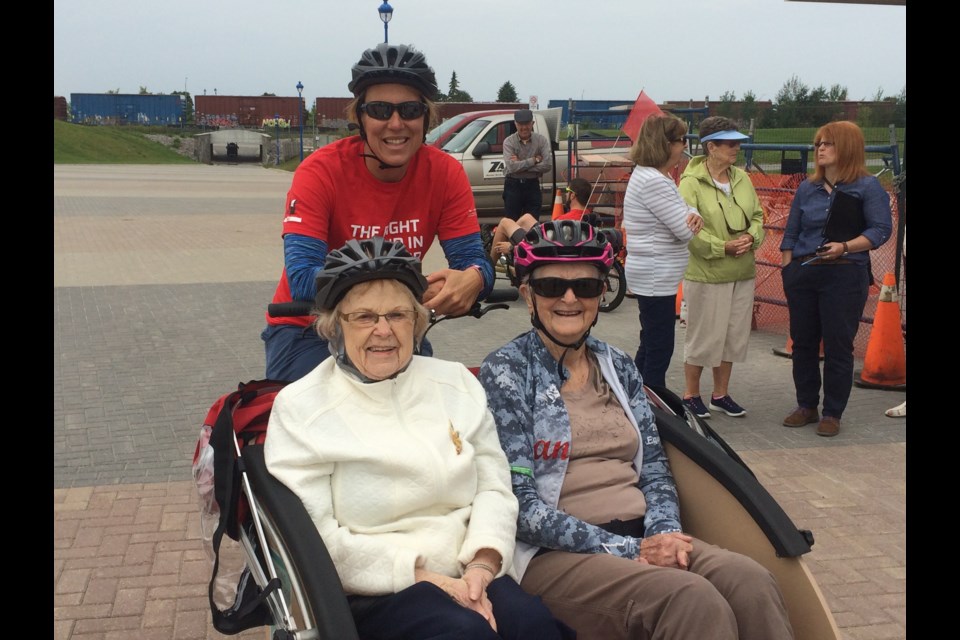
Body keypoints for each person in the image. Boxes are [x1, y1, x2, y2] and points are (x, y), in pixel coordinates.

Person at [478, 221, 794, 640]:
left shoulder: (618, 365)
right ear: (527, 295)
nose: (570, 299)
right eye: (552, 286)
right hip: (553, 554)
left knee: (749, 581)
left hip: (642, 533)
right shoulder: (506, 371)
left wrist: (662, 533)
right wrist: (633, 550)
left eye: (586, 288)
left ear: (602, 295)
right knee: (689, 599)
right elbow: (521, 507)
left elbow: (656, 470)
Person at [264, 237, 573, 640]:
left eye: (398, 314)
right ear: (335, 326)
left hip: (471, 568)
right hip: (375, 588)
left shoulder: (456, 382)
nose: (383, 330)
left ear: (417, 321)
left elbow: (496, 487)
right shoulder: (301, 408)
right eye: (363, 317)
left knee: (535, 628)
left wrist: (482, 565)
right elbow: (316, 537)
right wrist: (429, 579)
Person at [261, 43, 494, 382]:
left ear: (426, 117)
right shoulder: (320, 171)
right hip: (309, 326)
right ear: (360, 117)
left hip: (392, 324)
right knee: (303, 421)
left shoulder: (445, 173)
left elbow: (473, 261)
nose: (396, 124)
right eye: (381, 110)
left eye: (410, 110)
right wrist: (406, 286)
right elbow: (301, 278)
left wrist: (476, 278)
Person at [780, 121, 893, 437]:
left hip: (844, 273)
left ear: (847, 147)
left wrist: (845, 246)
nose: (820, 149)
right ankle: (806, 405)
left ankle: (832, 412)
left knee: (838, 345)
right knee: (802, 344)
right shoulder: (806, 187)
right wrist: (788, 270)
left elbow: (880, 230)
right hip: (803, 272)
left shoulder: (867, 187)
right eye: (817, 144)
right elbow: (791, 232)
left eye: (827, 143)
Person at [677, 116, 765, 419]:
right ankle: (690, 395)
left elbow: (757, 216)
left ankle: (720, 394)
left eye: (737, 142)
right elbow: (688, 228)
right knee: (704, 336)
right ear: (710, 146)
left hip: (742, 272)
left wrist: (751, 238)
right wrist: (721, 247)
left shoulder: (742, 178)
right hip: (707, 274)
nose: (736, 148)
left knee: (731, 336)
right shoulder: (689, 183)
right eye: (729, 143)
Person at [622, 114, 703, 389]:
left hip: (656, 274)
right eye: (682, 140)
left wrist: (692, 213)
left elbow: (685, 210)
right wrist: (693, 218)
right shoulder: (654, 181)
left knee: (651, 341)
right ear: (666, 144)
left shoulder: (654, 176)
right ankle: (651, 400)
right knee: (659, 347)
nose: (684, 146)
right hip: (655, 274)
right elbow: (684, 230)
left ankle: (636, 394)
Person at [490, 178, 595, 262]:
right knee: (527, 217)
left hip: (544, 250)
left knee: (505, 222)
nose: (565, 194)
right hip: (561, 248)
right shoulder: (589, 217)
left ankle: (490, 266)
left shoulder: (564, 220)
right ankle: (505, 238)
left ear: (572, 195)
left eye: (567, 191)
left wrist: (512, 247)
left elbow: (547, 245)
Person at [502, 109, 553, 222]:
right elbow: (512, 167)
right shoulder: (508, 142)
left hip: (532, 185)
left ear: (532, 123)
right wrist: (535, 159)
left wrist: (521, 162)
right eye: (521, 124)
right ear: (515, 124)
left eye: (527, 124)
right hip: (513, 186)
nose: (524, 127)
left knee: (532, 223)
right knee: (511, 222)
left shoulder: (541, 140)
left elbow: (547, 165)